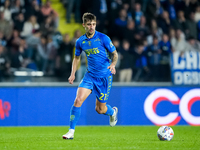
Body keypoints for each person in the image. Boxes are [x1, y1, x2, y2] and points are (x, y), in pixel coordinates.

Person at [62, 12, 119, 140]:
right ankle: (71, 131)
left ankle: (112, 112)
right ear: (84, 25)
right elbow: (76, 58)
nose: (92, 27)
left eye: (93, 24)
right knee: (78, 100)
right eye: (89, 24)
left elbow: (115, 54)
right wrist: (72, 74)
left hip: (104, 78)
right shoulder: (80, 41)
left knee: (100, 109)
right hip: (90, 76)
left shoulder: (103, 38)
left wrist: (113, 65)